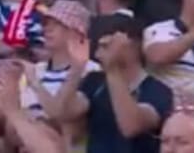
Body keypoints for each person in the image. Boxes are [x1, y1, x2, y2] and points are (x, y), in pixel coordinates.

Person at [56, 14, 174, 153]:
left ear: (132, 44)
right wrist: (77, 67)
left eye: (106, 46)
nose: (99, 54)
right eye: (98, 47)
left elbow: (131, 126)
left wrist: (112, 69)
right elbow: (64, 113)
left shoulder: (158, 91)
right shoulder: (94, 81)